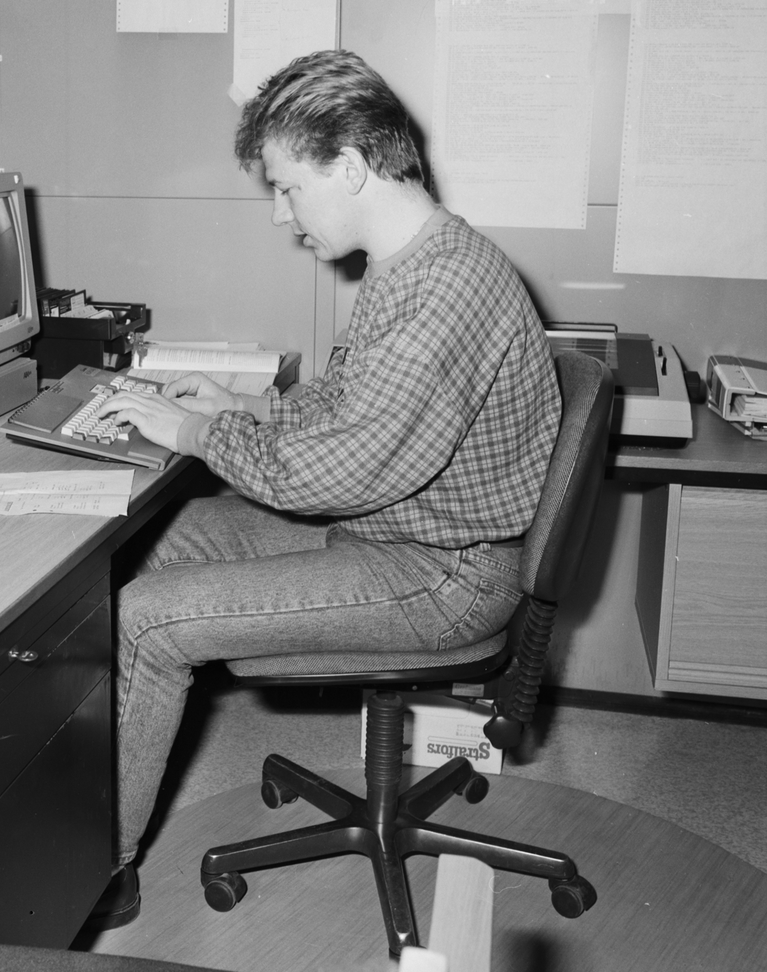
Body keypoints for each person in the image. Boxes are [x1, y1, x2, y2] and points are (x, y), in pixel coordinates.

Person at [84, 49, 560, 930]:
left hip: (443, 574)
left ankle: (98, 867)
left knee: (146, 619)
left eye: (286, 188)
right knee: (148, 547)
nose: (280, 212)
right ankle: (74, 789)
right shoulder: (413, 259)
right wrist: (243, 406)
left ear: (347, 167)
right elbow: (351, 406)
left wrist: (193, 432)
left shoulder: (442, 290)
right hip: (396, 529)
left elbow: (327, 472)